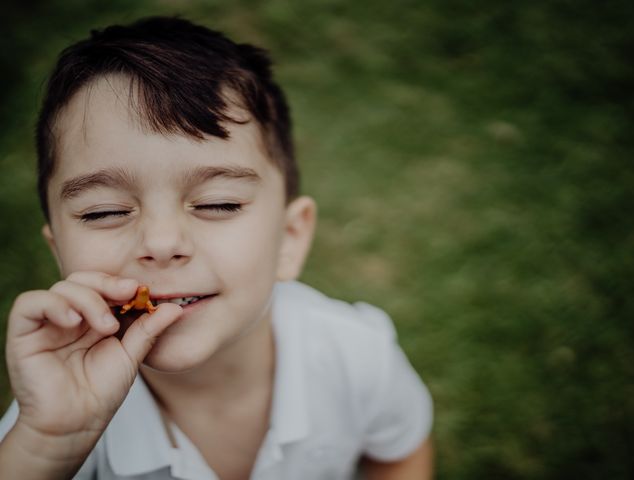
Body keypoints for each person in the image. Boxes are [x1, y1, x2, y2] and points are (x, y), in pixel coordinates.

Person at [0, 16, 434, 479]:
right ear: (59, 251)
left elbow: (399, 450)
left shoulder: (356, 353)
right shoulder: (43, 426)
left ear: (289, 239)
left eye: (218, 203)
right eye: (103, 212)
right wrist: (48, 447)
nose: (162, 243)